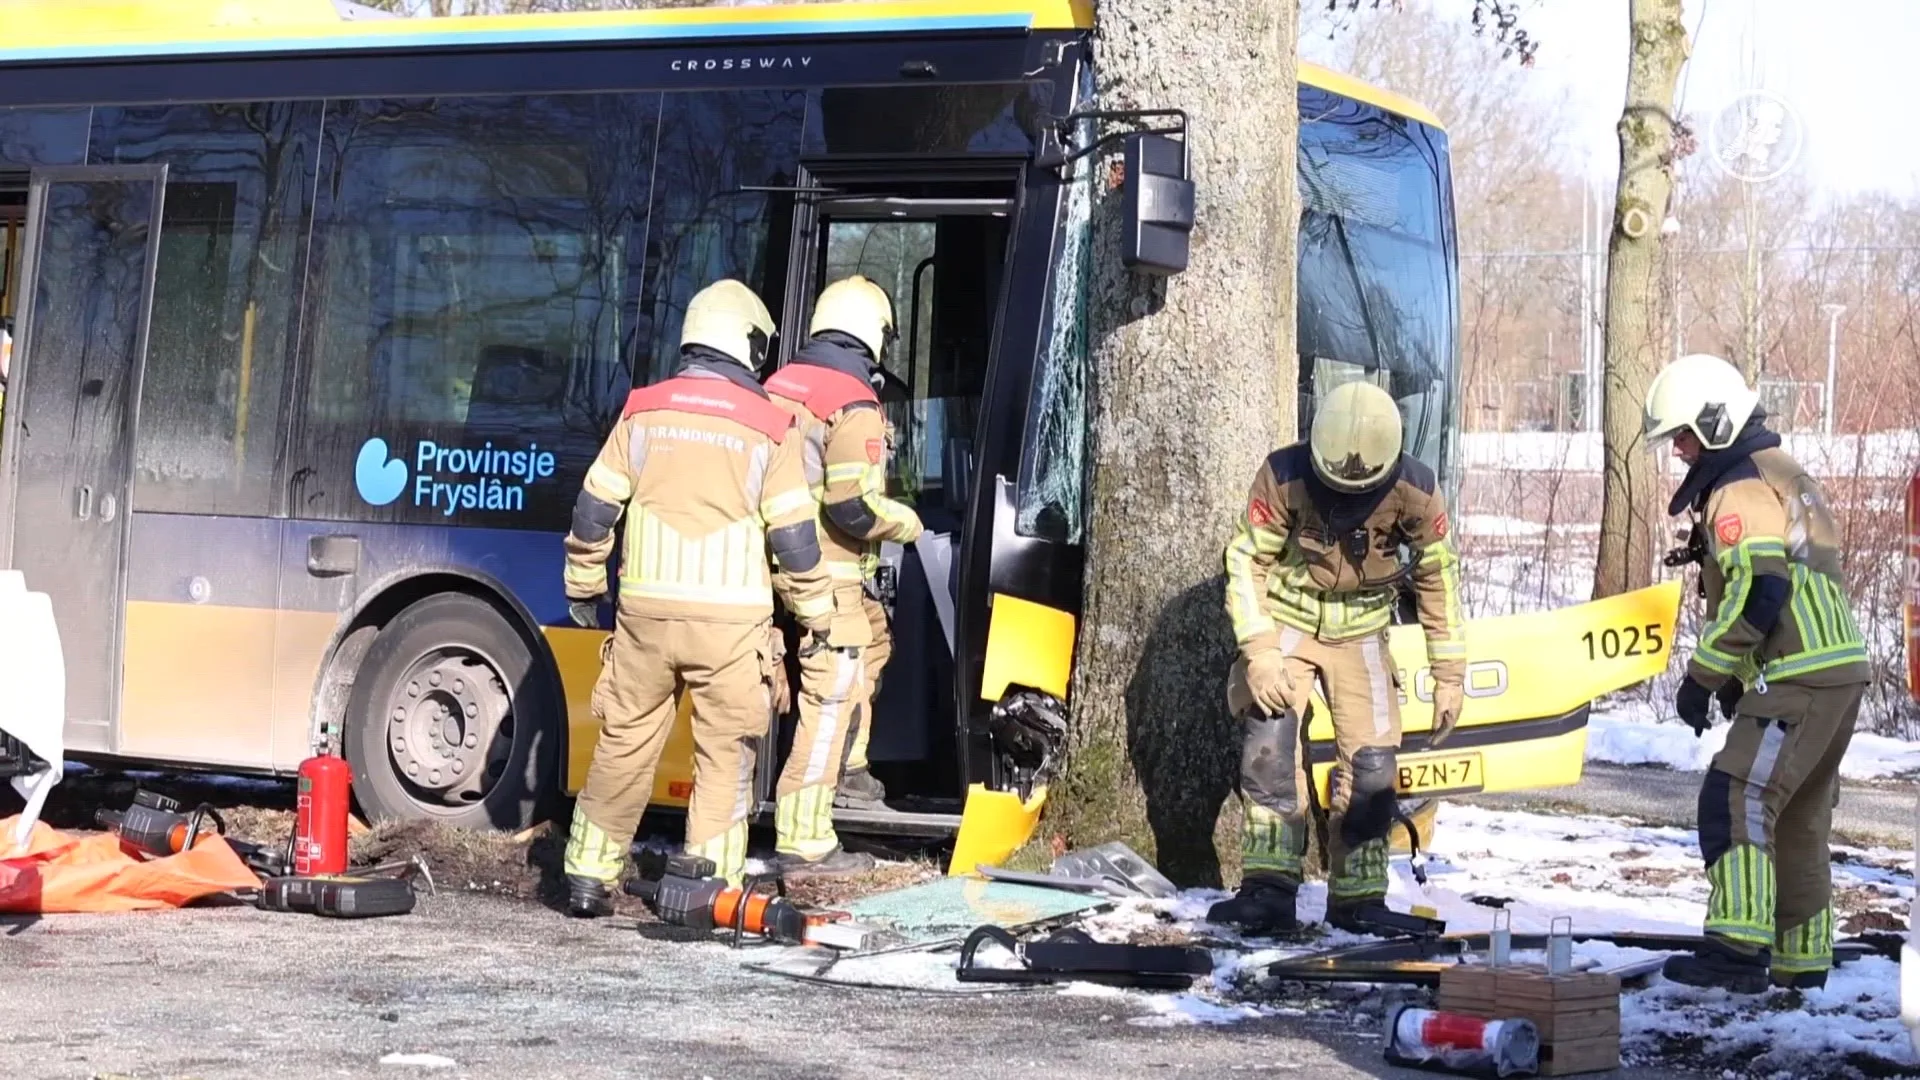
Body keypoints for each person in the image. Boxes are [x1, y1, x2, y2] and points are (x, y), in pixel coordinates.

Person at [559, 278, 834, 917]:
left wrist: (583, 585)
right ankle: (710, 888)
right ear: (746, 343)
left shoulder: (642, 411)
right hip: (731, 628)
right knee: (724, 756)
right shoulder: (770, 425)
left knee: (624, 744)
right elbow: (794, 539)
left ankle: (586, 876)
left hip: (644, 619)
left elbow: (594, 510)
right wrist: (816, 613)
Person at [1643, 353, 1870, 993]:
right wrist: (1744, 677)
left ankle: (1737, 951)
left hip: (1797, 675)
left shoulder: (1739, 486)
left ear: (1715, 422)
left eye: (1683, 434)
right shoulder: (1784, 471)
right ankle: (1803, 968)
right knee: (1797, 819)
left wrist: (1704, 677)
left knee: (1736, 798)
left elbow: (1760, 588)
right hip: (1838, 670)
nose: (1679, 451)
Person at [1208, 380, 1466, 937]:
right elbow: (1248, 561)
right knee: (1269, 747)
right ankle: (1269, 888)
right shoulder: (1283, 477)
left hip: (1364, 629)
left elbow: (1438, 577)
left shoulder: (1417, 491)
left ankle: (1358, 899)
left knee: (1373, 764)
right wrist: (1259, 653)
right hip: (1290, 619)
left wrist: (1450, 676)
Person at [762, 275, 924, 873]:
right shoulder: (851, 402)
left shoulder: (779, 385)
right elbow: (852, 506)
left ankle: (852, 772)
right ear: (871, 336)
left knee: (874, 643)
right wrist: (904, 521)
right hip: (828, 573)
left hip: (777, 566)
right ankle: (804, 843)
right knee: (830, 694)